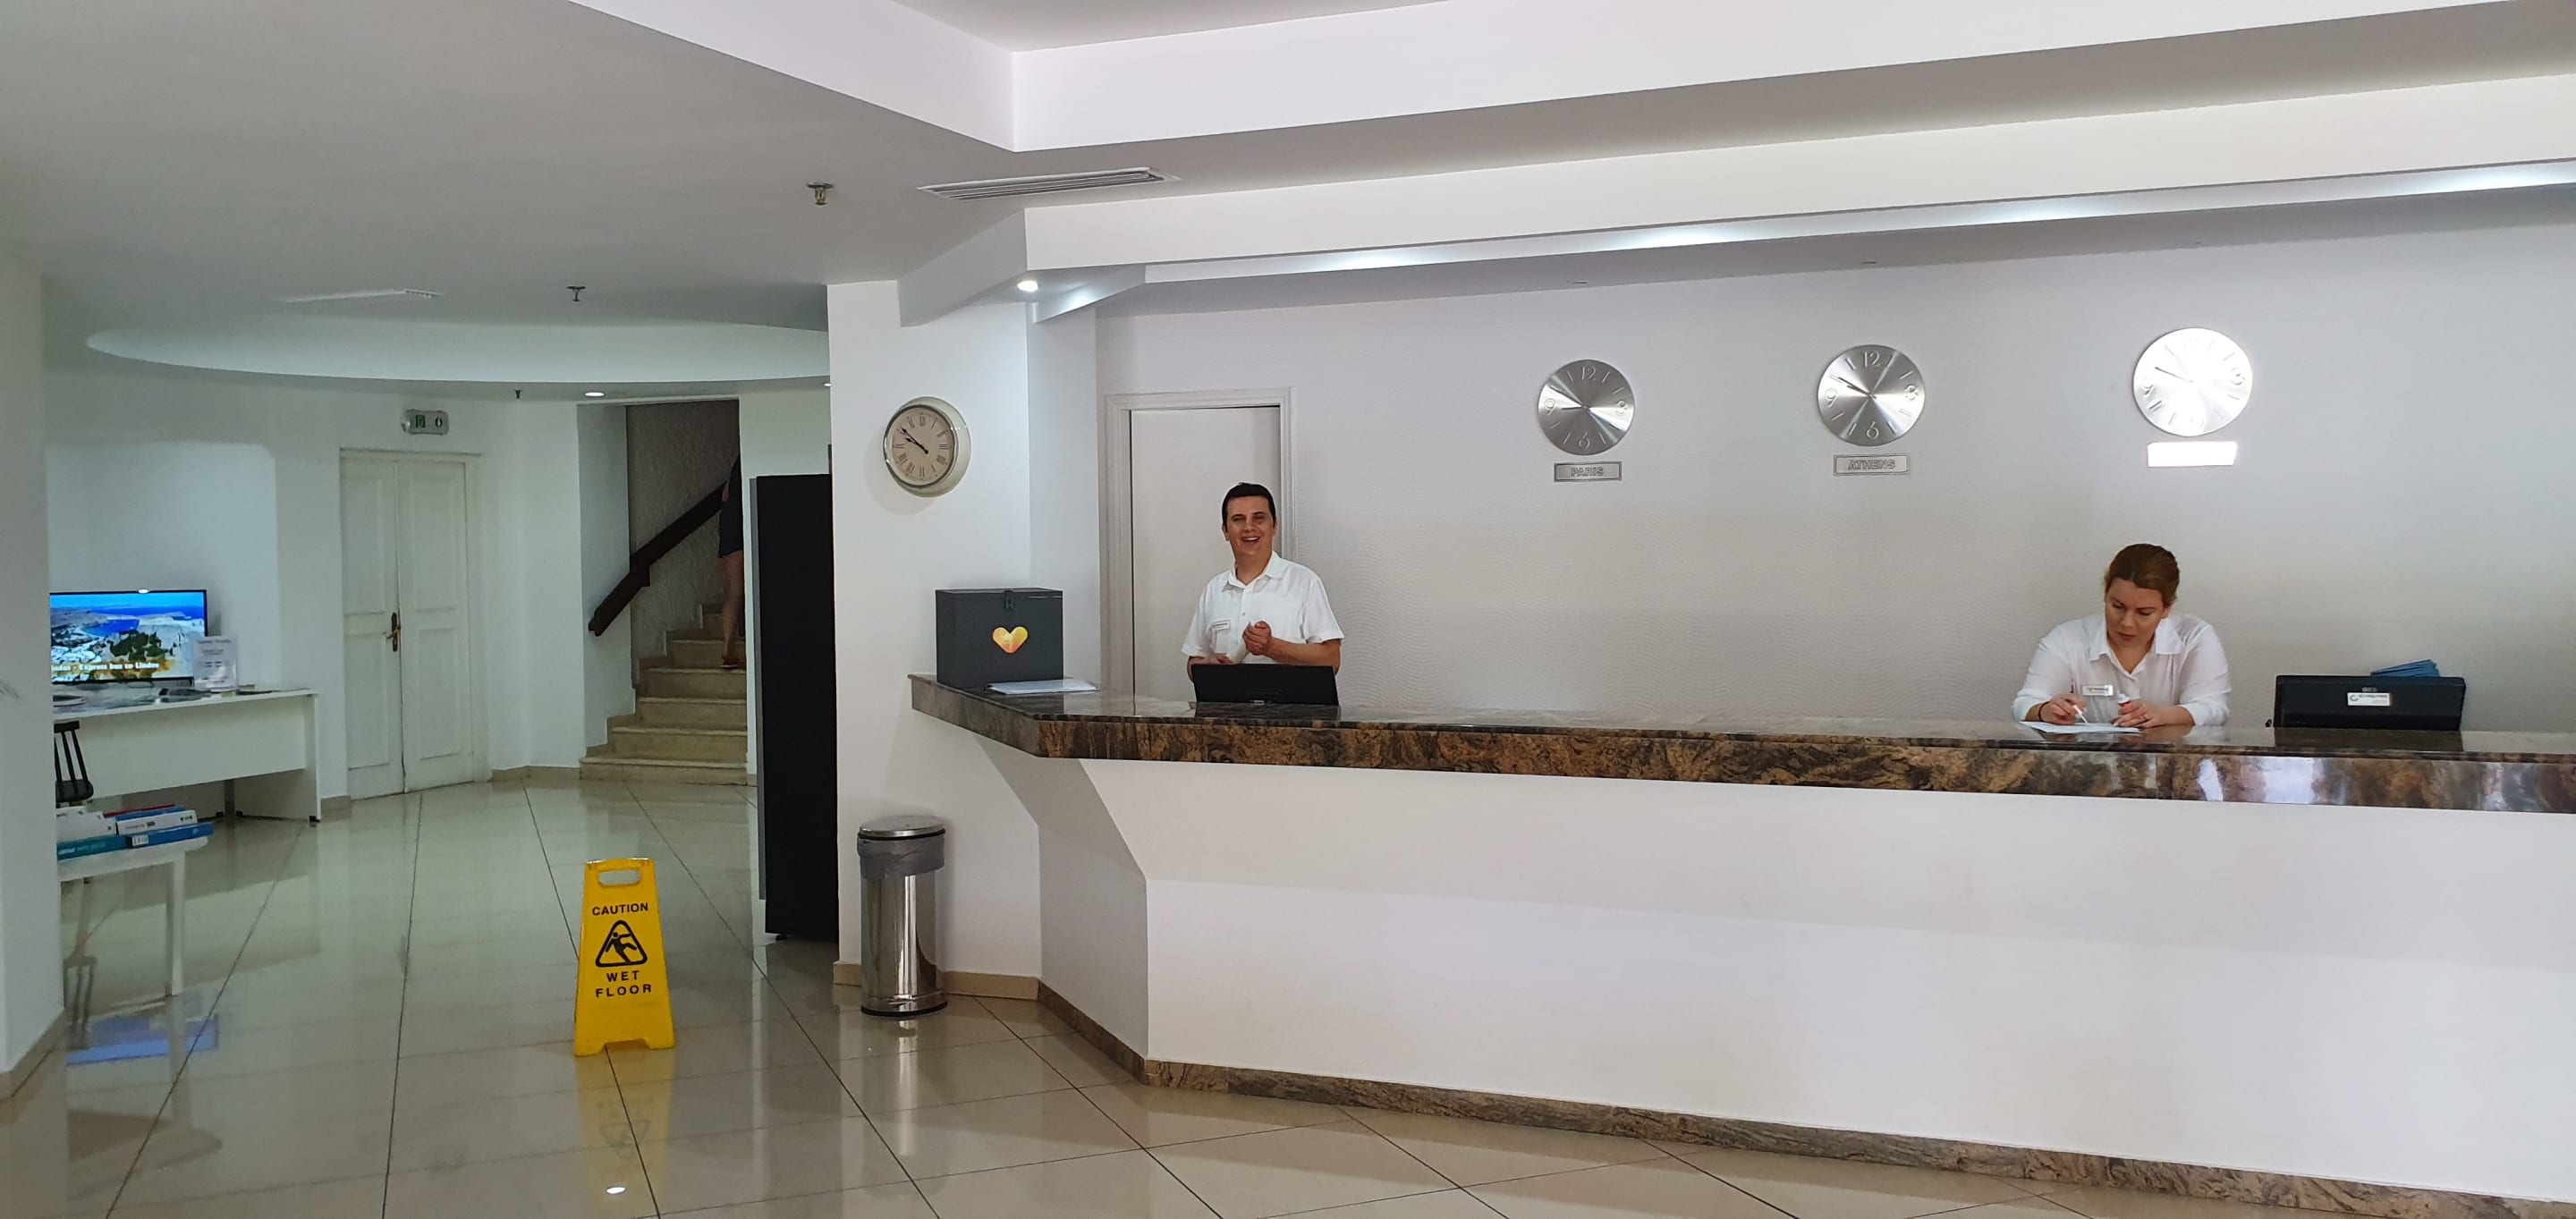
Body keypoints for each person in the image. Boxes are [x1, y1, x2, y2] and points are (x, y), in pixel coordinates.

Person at [2013, 543, 2229, 728]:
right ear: (2105, 595)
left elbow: (2214, 709)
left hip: (2169, 762)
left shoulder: (2194, 637)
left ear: (2166, 609)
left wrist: (2163, 715)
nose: (2127, 623)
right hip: (2087, 762)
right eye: (2117, 606)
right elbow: (2025, 703)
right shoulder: (2066, 639)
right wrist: (2044, 711)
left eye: (2144, 613)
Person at [1182, 482, 1343, 671]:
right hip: (1225, 693)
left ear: (1274, 526)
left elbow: (1332, 660)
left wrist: (1272, 647)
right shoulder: (1214, 589)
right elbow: (1193, 662)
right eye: (1238, 519)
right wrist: (1210, 665)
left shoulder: (1304, 582)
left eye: (1259, 518)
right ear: (1225, 531)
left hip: (1290, 692)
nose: (1249, 527)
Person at [716, 459, 745, 671]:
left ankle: (728, 646)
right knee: (739, 589)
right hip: (742, 524)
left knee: (731, 590)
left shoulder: (737, 464)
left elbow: (724, 495)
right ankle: (730, 648)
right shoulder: (752, 459)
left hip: (727, 524)